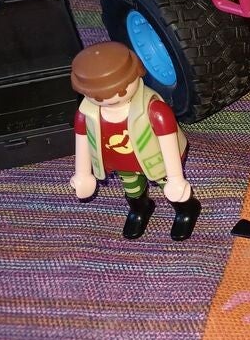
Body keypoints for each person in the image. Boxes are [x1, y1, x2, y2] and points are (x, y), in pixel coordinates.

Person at [70, 41, 200, 240]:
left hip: (157, 161)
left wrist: (176, 178)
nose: (109, 99)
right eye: (98, 96)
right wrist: (83, 174)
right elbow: (82, 140)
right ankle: (140, 208)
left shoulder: (153, 109)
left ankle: (186, 209)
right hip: (122, 163)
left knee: (171, 189)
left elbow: (168, 142)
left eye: (120, 91)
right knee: (132, 190)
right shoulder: (86, 113)